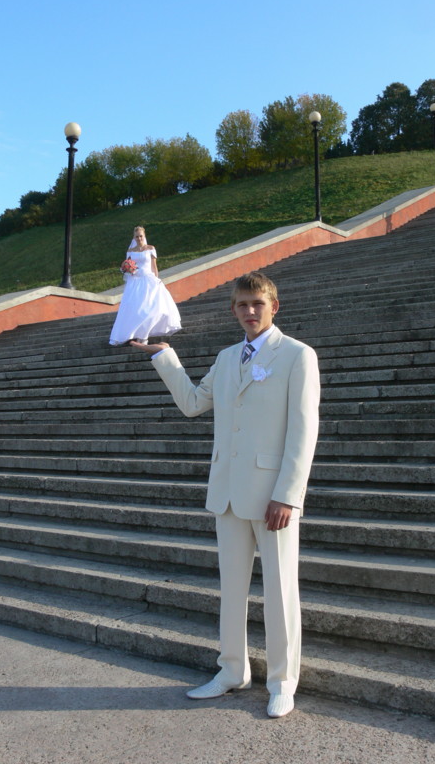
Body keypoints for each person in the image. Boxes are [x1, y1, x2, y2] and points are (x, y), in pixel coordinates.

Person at [131, 271, 320, 718]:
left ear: (274, 307)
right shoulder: (227, 356)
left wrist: (288, 494)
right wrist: (164, 356)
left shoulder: (297, 355)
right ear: (233, 310)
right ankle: (232, 670)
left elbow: (304, 429)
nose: (250, 311)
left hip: (273, 496)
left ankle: (282, 681)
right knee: (231, 590)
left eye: (257, 303)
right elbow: (193, 403)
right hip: (228, 493)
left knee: (280, 591)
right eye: (242, 304)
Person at [109, 226, 181, 346]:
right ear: (134, 237)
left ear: (144, 236)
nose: (139, 238)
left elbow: (154, 267)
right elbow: (126, 265)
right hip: (135, 281)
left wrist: (157, 279)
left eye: (141, 236)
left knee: (152, 308)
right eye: (137, 236)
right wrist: (127, 269)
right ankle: (134, 334)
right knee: (135, 309)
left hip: (148, 280)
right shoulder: (131, 251)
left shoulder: (151, 249)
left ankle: (144, 334)